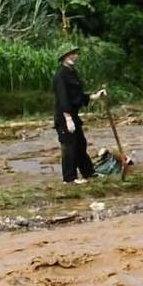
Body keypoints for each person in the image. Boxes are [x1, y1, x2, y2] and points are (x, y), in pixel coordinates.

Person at [52, 47, 104, 184]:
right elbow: (63, 99)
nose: (74, 56)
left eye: (75, 54)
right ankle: (69, 178)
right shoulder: (60, 76)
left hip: (74, 115)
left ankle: (89, 173)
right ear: (64, 57)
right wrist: (68, 118)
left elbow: (78, 96)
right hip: (64, 116)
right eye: (70, 54)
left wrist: (95, 96)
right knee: (69, 147)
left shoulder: (72, 73)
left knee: (80, 144)